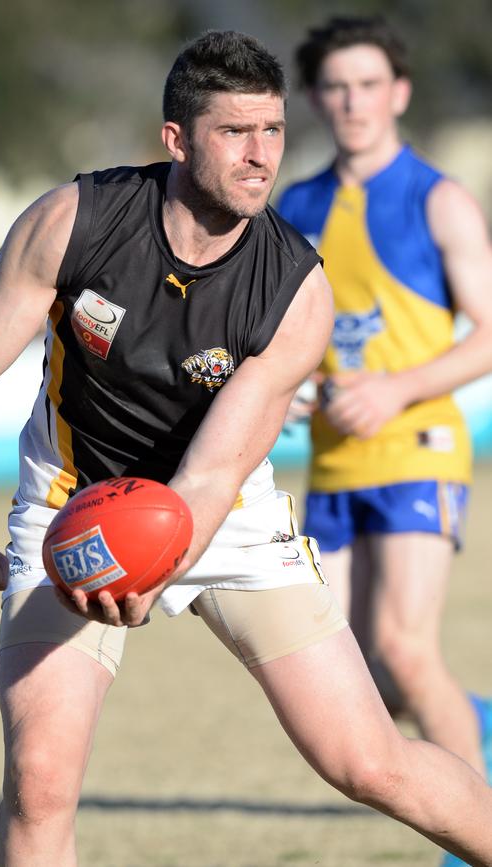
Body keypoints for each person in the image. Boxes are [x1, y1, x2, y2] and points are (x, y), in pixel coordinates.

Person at [0, 30, 492, 867]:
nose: (261, 157)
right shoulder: (76, 221)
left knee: (367, 761)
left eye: (274, 132)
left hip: (225, 517)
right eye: (235, 133)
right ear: (177, 138)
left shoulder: (295, 289)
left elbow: (215, 470)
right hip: (69, 505)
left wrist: (149, 562)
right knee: (40, 778)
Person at [277, 16, 492, 865]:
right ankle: (472, 721)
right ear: (317, 99)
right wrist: (286, 388)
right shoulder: (295, 206)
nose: (353, 101)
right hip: (333, 458)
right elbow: (282, 336)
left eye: (369, 84)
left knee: (407, 645)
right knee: (370, 679)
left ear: (398, 93)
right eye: (336, 86)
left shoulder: (437, 196)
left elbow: (489, 330)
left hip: (421, 443)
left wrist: (397, 387)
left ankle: (467, 843)